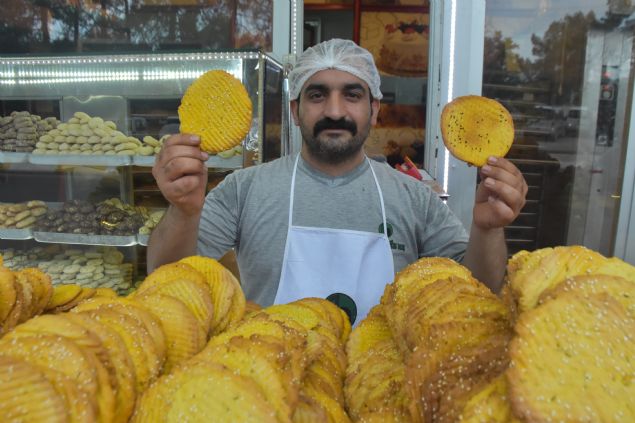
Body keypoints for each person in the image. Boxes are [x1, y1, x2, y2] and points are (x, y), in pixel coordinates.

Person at [148, 38, 527, 325]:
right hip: (272, 379)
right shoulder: (243, 190)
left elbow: (480, 292)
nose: (334, 110)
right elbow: (169, 281)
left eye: (352, 95)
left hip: (380, 386)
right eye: (317, 95)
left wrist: (488, 229)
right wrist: (183, 211)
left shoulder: (415, 198)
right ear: (295, 110)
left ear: (373, 110)